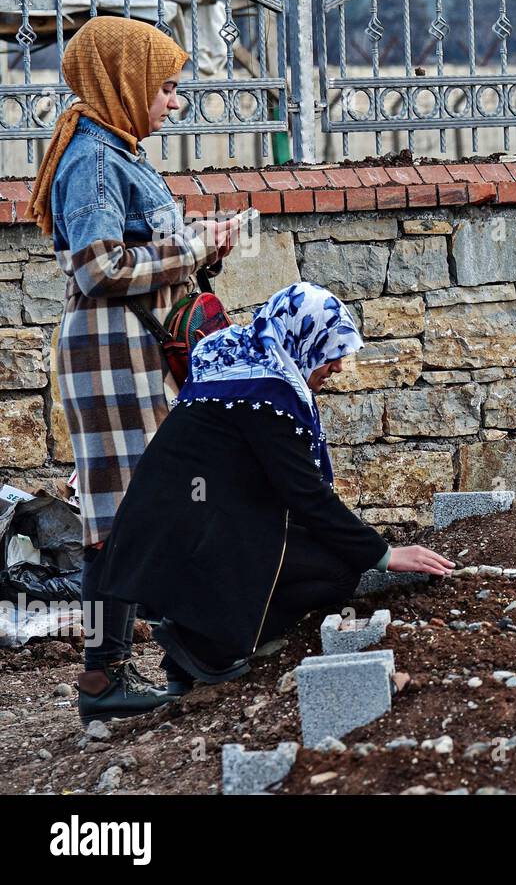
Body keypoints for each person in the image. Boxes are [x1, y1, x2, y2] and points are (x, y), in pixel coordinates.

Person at [90, 283, 454, 718]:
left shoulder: (239, 366)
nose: (338, 365)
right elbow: (305, 495)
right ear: (302, 339)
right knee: (337, 570)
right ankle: (207, 648)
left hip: (178, 531)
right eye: (330, 351)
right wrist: (383, 553)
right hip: (188, 537)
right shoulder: (266, 396)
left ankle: (187, 654)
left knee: (303, 545)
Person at [28, 16, 244, 722]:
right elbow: (97, 269)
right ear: (125, 81)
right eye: (166, 88)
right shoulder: (94, 160)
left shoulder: (116, 150)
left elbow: (133, 257)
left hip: (129, 348)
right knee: (127, 516)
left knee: (138, 511)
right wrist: (189, 252)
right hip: (111, 354)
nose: (175, 104)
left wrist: (201, 249)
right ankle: (134, 671)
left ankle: (147, 666)